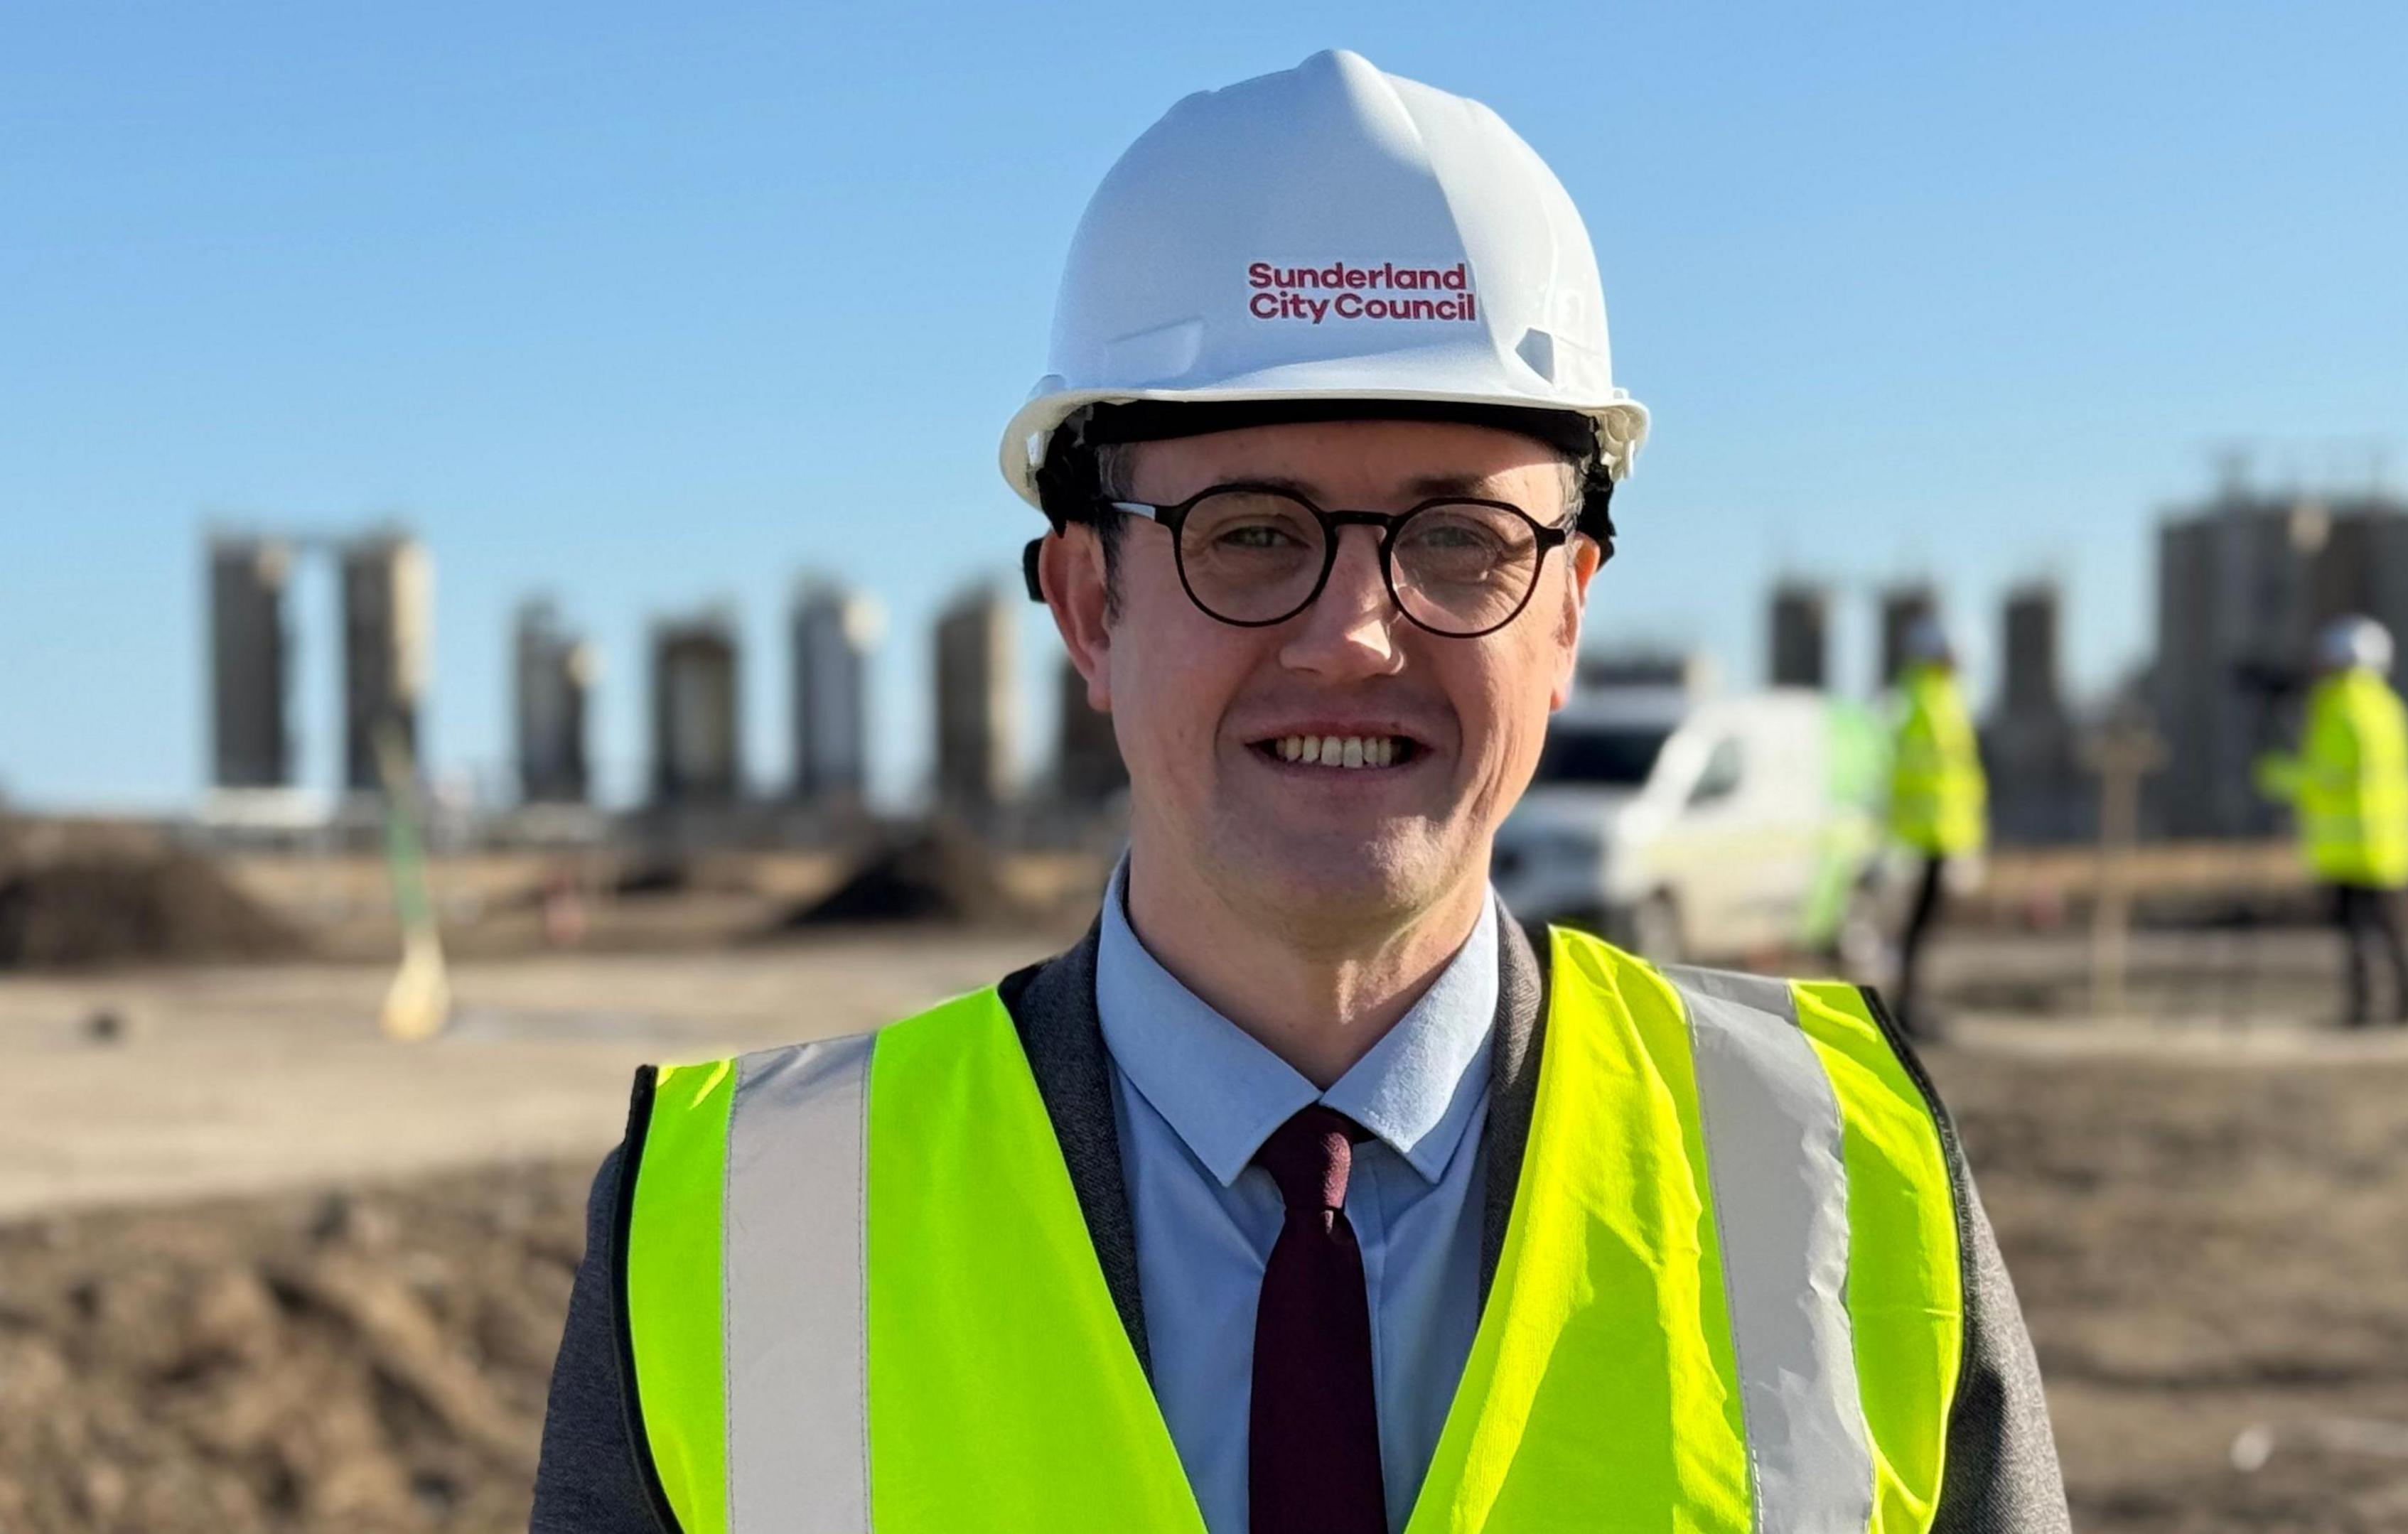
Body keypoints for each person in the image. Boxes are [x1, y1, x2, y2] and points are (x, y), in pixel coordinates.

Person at [531, 51, 2067, 1533]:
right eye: (1251, 531)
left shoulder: (1837, 1174)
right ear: (1087, 606)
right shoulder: (745, 1234)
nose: (1353, 631)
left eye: (1460, 537)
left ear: (1568, 615)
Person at [2257, 614, 2408, 1026]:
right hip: (2390, 840)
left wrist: (2276, 775)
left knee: (2356, 932)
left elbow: (2327, 776)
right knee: (2389, 927)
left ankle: (2363, 1009)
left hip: (2349, 842)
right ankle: (2407, 1004)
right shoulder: (2389, 708)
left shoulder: (2338, 708)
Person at [1888, 615, 1988, 1039]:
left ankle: (1912, 1004)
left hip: (1942, 834)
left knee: (1923, 929)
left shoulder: (1944, 698)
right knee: (1908, 928)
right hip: (1915, 835)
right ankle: (1905, 1008)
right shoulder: (1916, 699)